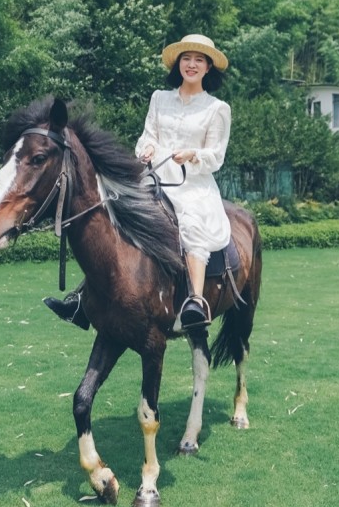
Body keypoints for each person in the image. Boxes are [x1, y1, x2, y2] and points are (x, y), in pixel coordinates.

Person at [45, 34, 232, 334]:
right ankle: (82, 298)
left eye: (199, 60)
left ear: (209, 67)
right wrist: (144, 148)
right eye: (187, 58)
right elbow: (148, 135)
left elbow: (217, 156)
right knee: (114, 215)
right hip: (154, 176)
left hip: (192, 184)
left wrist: (193, 154)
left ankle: (195, 301)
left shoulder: (217, 108)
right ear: (178, 63)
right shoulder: (160, 98)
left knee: (192, 223)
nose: (192, 64)